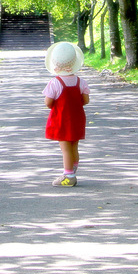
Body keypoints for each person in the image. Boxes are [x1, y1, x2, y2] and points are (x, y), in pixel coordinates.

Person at [43, 41, 90, 187]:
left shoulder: (55, 83)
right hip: (77, 118)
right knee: (74, 146)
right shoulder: (80, 82)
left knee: (65, 149)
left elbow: (48, 103)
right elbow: (86, 100)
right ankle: (73, 171)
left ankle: (68, 176)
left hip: (62, 119)